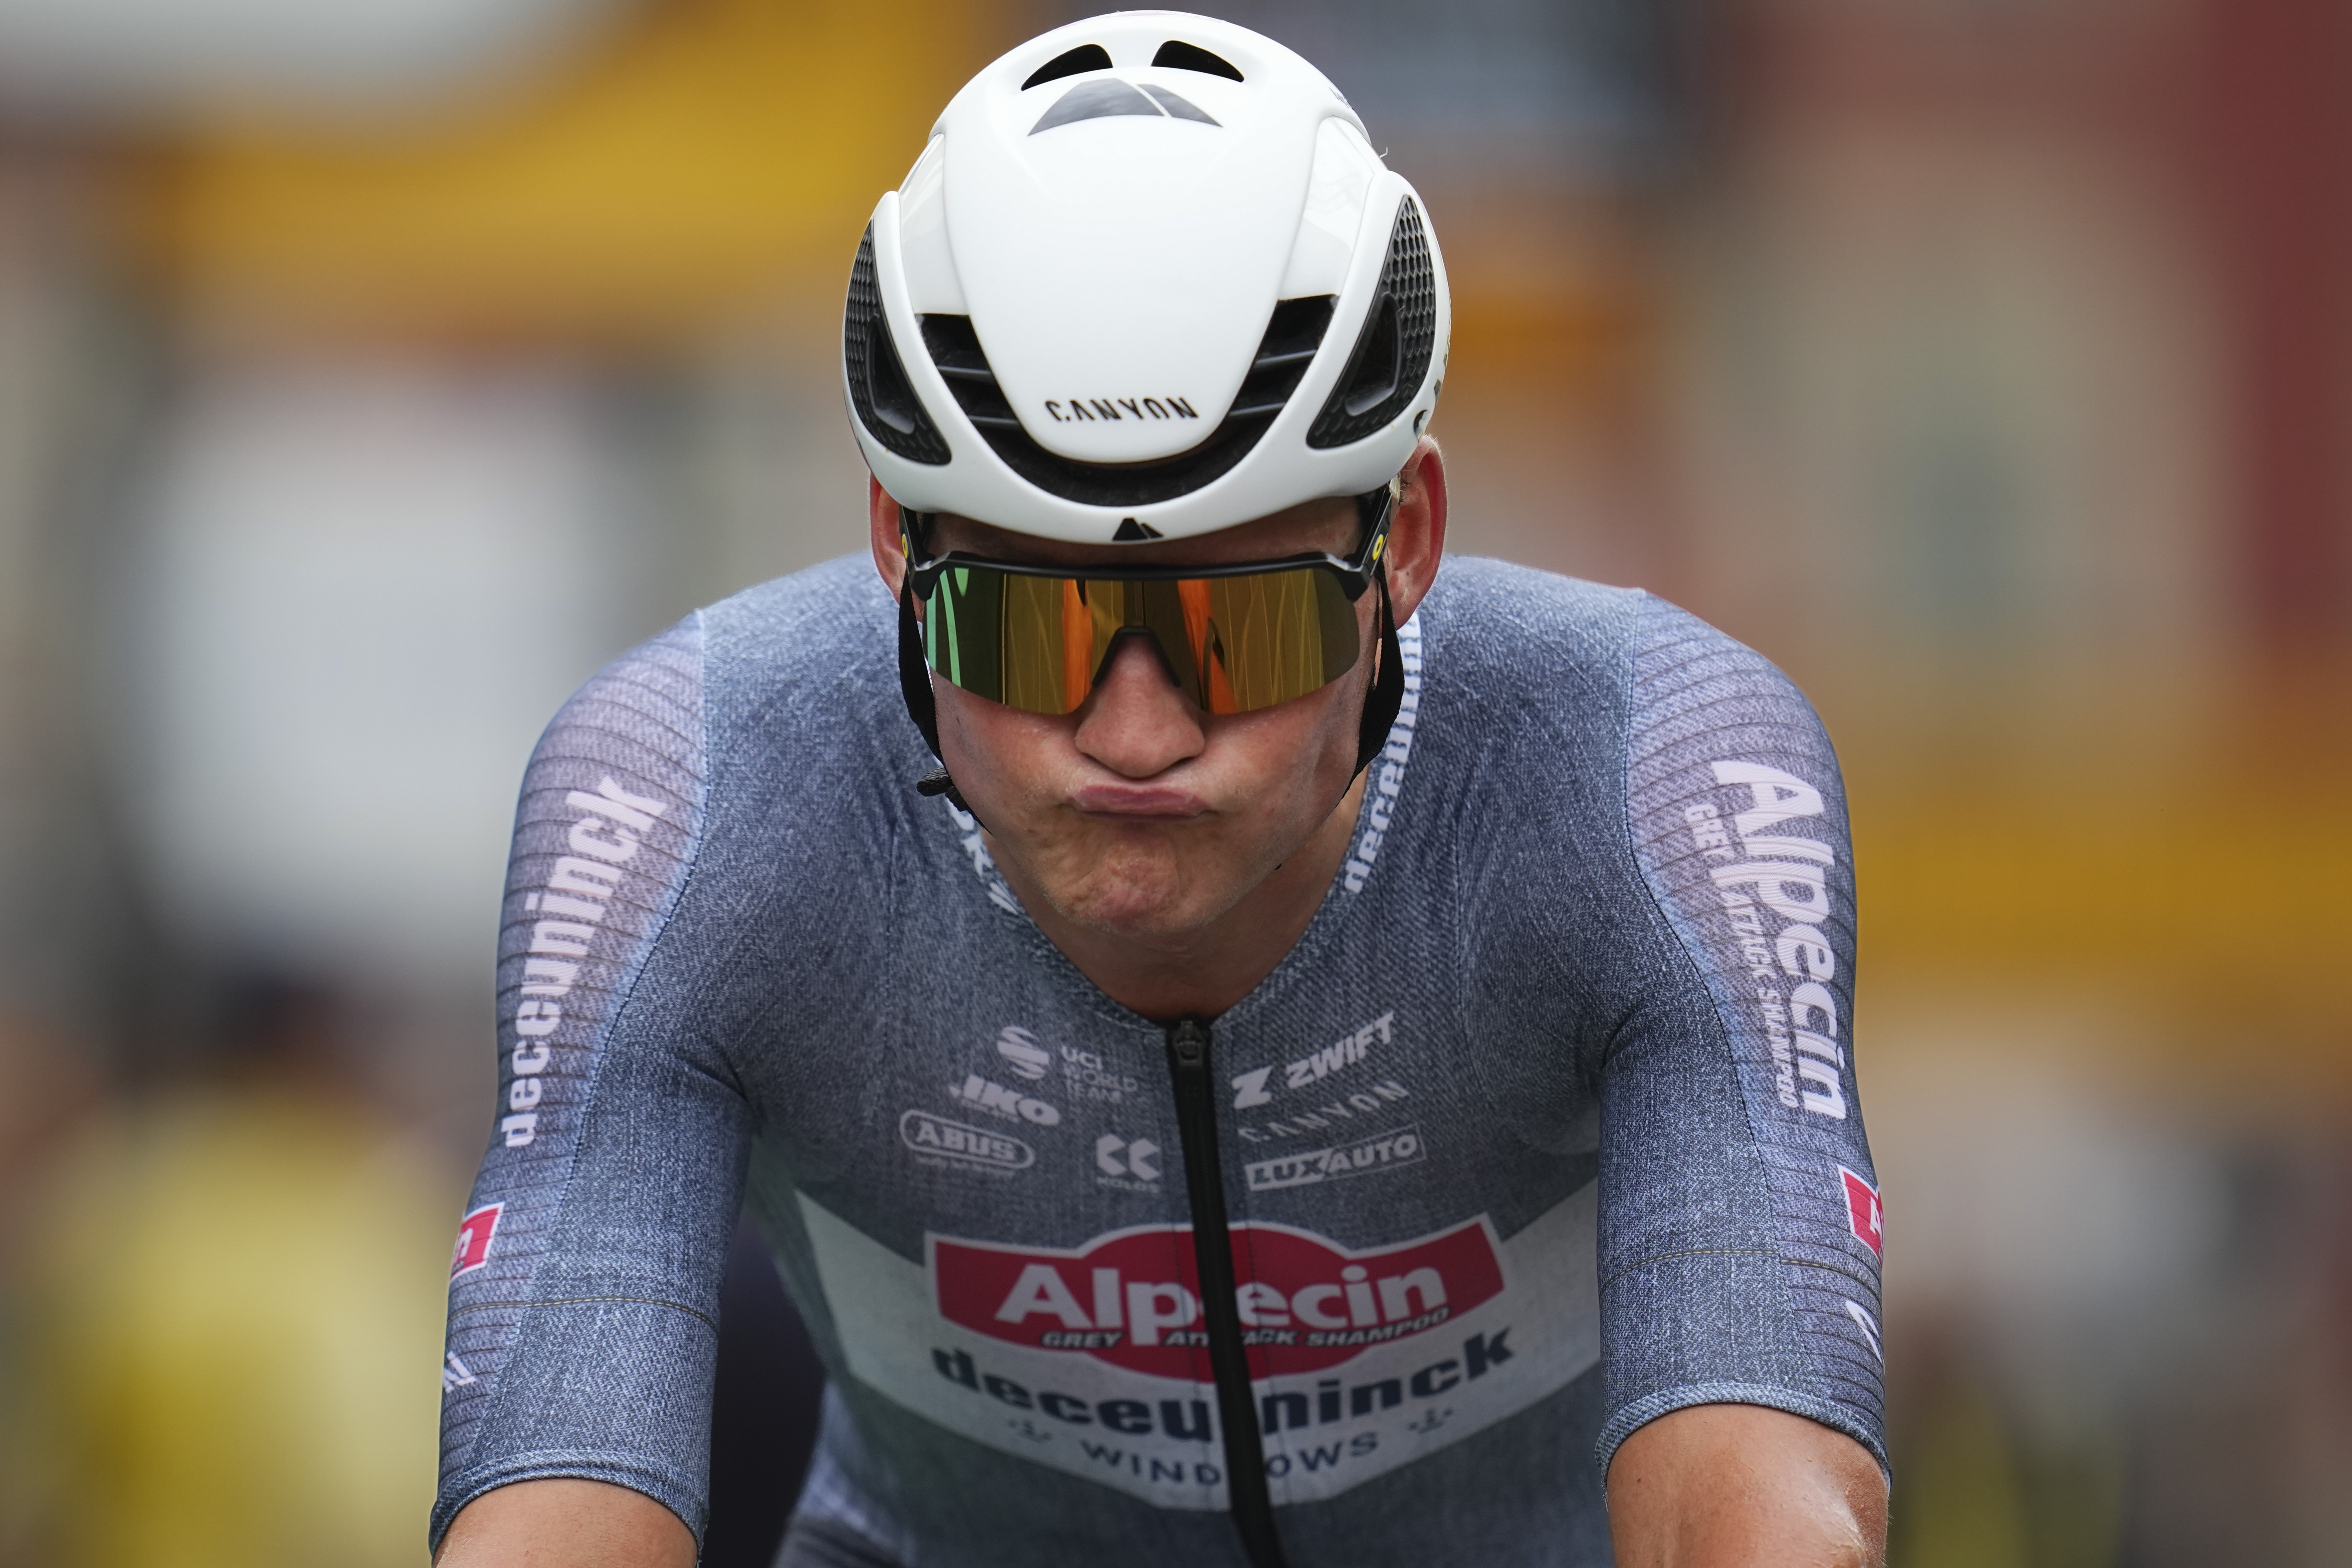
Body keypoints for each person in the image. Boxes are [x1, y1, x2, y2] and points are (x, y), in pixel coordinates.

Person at [430, 15, 1889, 1566]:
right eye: (1022, 626)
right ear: (896, 552)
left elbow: (1758, 1515)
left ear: (1400, 549)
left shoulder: (1648, 769)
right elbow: (553, 1508)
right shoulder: (693, 792)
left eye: (1239, 629)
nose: (1132, 735)